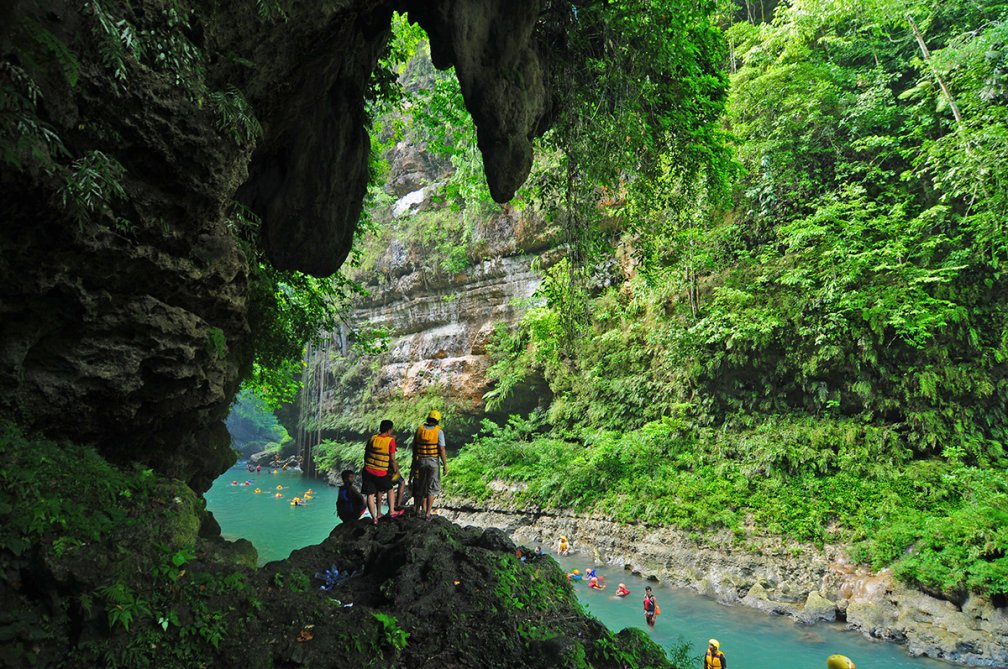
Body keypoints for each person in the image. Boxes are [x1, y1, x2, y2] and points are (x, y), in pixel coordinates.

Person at [362, 420, 400, 524]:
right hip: (380, 472)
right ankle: (392, 511)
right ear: (389, 429)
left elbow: (366, 455)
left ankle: (374, 517)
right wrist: (396, 470)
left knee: (370, 494)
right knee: (390, 489)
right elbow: (392, 459)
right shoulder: (390, 441)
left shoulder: (372, 438)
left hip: (368, 470)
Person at [411, 409, 447, 520]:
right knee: (432, 487)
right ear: (437, 420)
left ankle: (418, 510)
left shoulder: (420, 429)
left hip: (421, 460)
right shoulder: (439, 431)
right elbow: (441, 449)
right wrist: (445, 464)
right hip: (433, 462)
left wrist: (414, 462)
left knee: (421, 486)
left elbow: (414, 447)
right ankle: (427, 514)